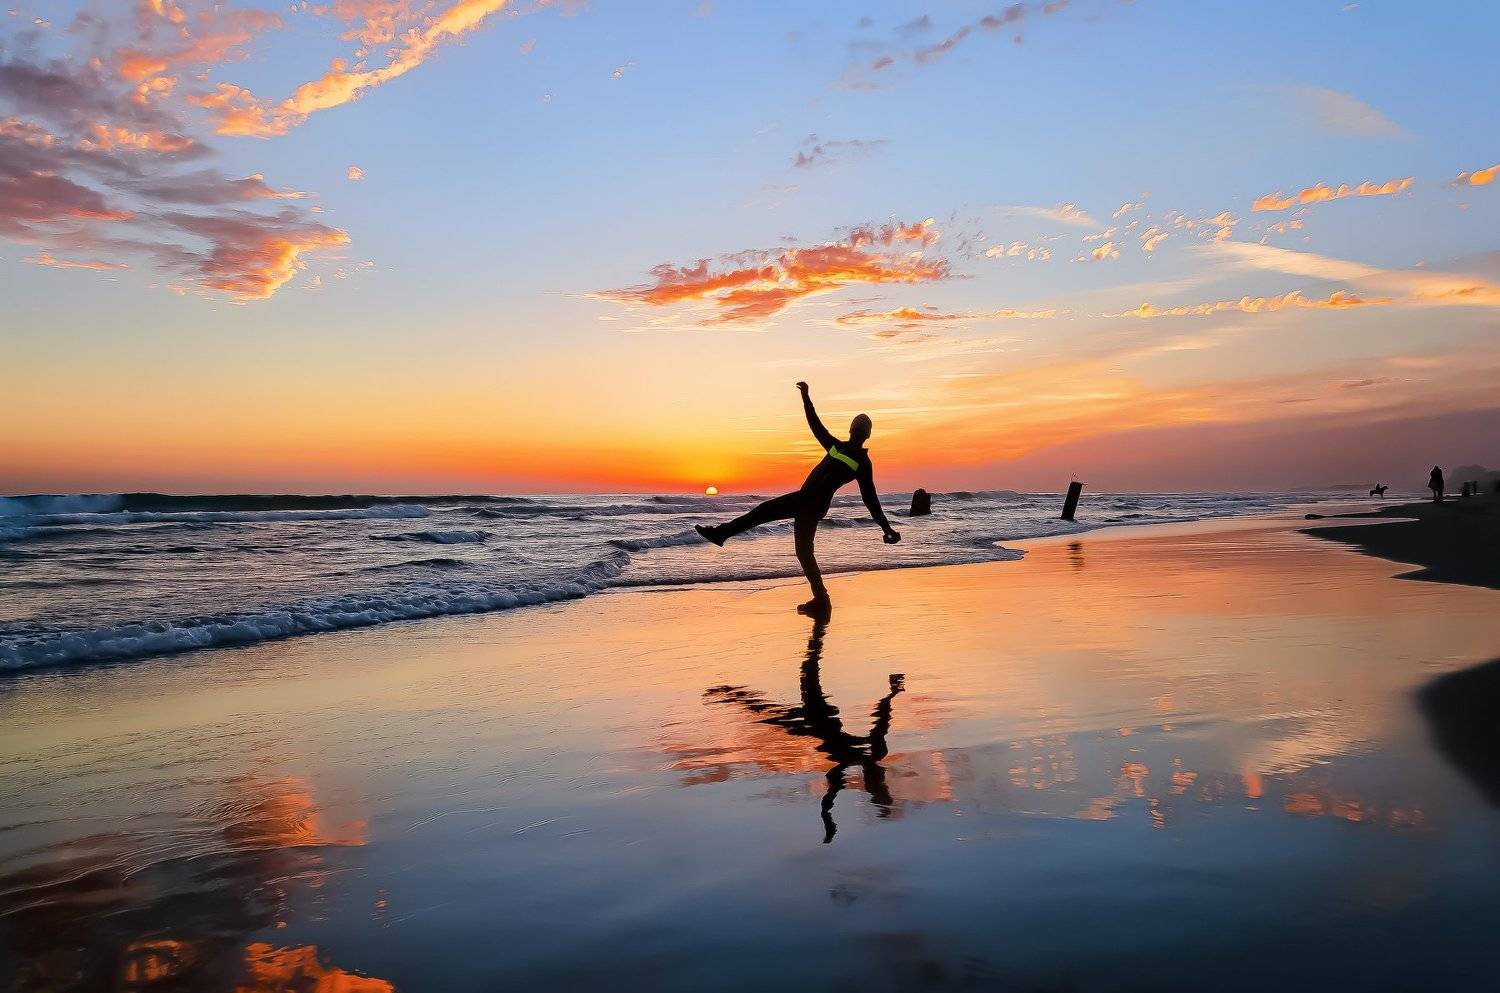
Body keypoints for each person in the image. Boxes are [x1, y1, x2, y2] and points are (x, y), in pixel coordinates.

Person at [696, 382, 901, 614]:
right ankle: (821, 599)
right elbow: (816, 426)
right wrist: (806, 398)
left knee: (763, 511)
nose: (857, 431)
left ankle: (721, 534)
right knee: (804, 552)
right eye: (858, 427)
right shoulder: (837, 447)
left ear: (860, 433)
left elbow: (870, 498)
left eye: (859, 429)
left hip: (808, 502)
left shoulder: (861, 462)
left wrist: (886, 527)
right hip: (811, 504)